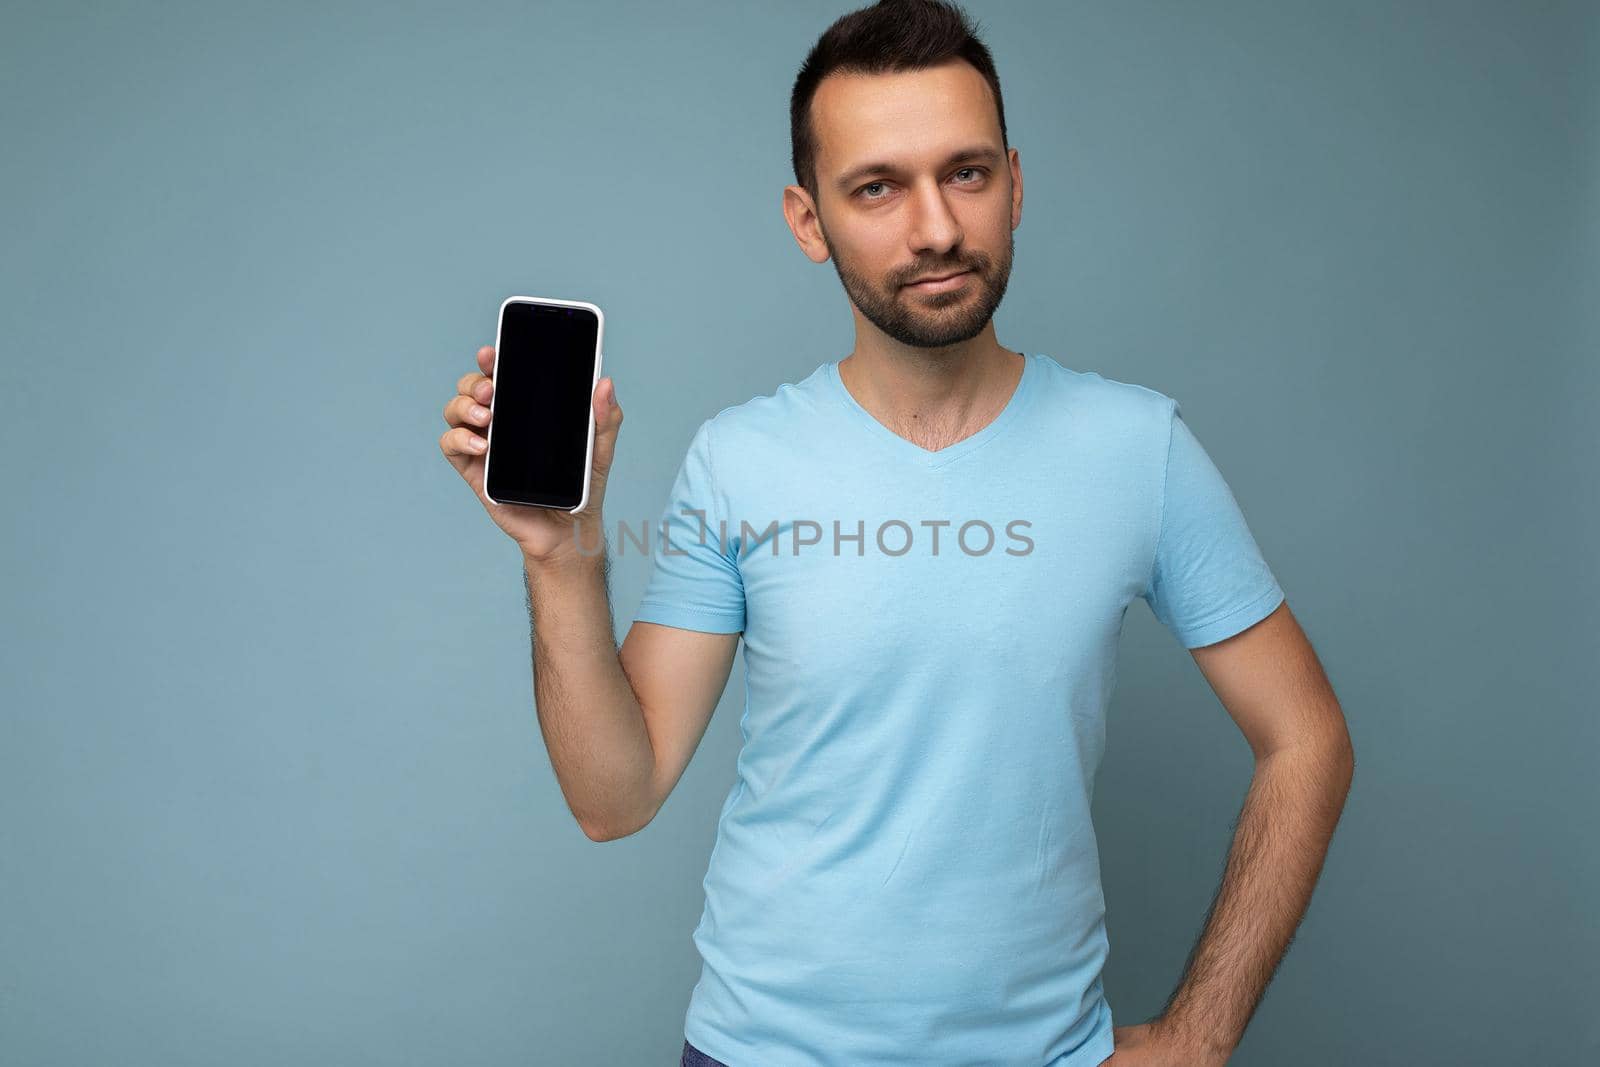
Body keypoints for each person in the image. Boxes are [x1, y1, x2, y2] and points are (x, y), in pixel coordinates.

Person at [438, 1, 1354, 1064]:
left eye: (964, 173)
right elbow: (614, 795)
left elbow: (1307, 738)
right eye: (876, 187)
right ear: (807, 220)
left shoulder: (1136, 447)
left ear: (1016, 183)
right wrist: (560, 557)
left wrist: (1200, 1034)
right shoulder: (740, 461)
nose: (933, 228)